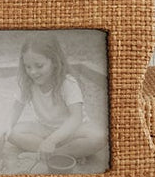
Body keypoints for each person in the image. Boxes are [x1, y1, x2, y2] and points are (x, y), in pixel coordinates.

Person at [7, 34, 104, 166]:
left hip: (72, 131)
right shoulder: (28, 83)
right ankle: (67, 154)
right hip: (44, 128)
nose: (33, 72)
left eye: (39, 66)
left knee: (99, 137)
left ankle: (50, 153)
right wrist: (7, 127)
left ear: (54, 61)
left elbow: (76, 118)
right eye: (27, 67)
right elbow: (16, 107)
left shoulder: (67, 82)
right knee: (13, 133)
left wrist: (52, 141)